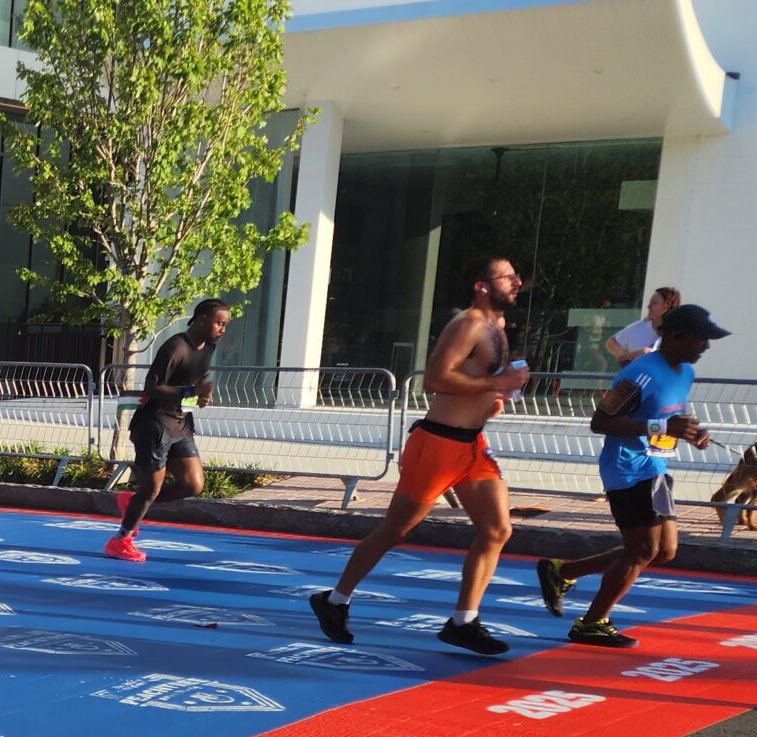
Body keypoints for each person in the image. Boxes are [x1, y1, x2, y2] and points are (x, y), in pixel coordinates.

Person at [310, 256, 530, 655]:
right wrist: (496, 383)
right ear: (482, 285)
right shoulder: (468, 325)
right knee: (396, 530)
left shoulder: (497, 326)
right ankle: (335, 600)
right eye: (508, 277)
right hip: (439, 444)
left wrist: (493, 396)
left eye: (517, 277)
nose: (517, 283)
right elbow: (435, 379)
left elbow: (474, 380)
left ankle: (463, 622)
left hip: (472, 445)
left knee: (498, 529)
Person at [538, 305, 726, 648]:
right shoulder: (640, 374)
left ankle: (563, 572)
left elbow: (669, 416)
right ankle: (592, 623)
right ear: (676, 336)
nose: (706, 347)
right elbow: (601, 422)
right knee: (642, 549)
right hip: (627, 469)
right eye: (701, 339)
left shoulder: (685, 373)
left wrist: (690, 432)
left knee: (664, 551)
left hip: (656, 467)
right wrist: (662, 426)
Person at [105, 299, 230, 562]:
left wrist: (201, 396)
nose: (222, 329)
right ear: (202, 318)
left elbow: (194, 382)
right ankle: (120, 540)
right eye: (219, 323)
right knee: (151, 489)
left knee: (193, 484)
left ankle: (132, 502)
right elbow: (152, 387)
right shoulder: (176, 347)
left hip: (181, 423)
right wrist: (190, 391)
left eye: (225, 325)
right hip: (155, 425)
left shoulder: (209, 347)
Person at [605, 287, 679, 366]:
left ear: (667, 306)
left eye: (654, 303)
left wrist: (650, 353)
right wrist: (624, 356)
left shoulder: (677, 334)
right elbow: (612, 342)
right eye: (650, 302)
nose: (648, 306)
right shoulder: (639, 327)